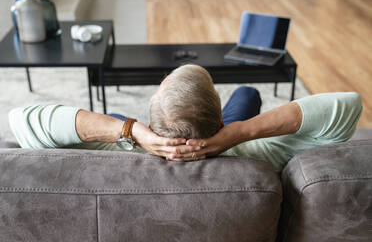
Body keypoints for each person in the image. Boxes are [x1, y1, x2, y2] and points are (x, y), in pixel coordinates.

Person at [8, 64, 362, 172]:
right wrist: (239, 133)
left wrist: (130, 131)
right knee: (249, 95)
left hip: (136, 139)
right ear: (220, 120)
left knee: (114, 115)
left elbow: (22, 119)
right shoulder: (263, 152)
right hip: (230, 143)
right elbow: (346, 106)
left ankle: (120, 119)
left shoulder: (116, 153)